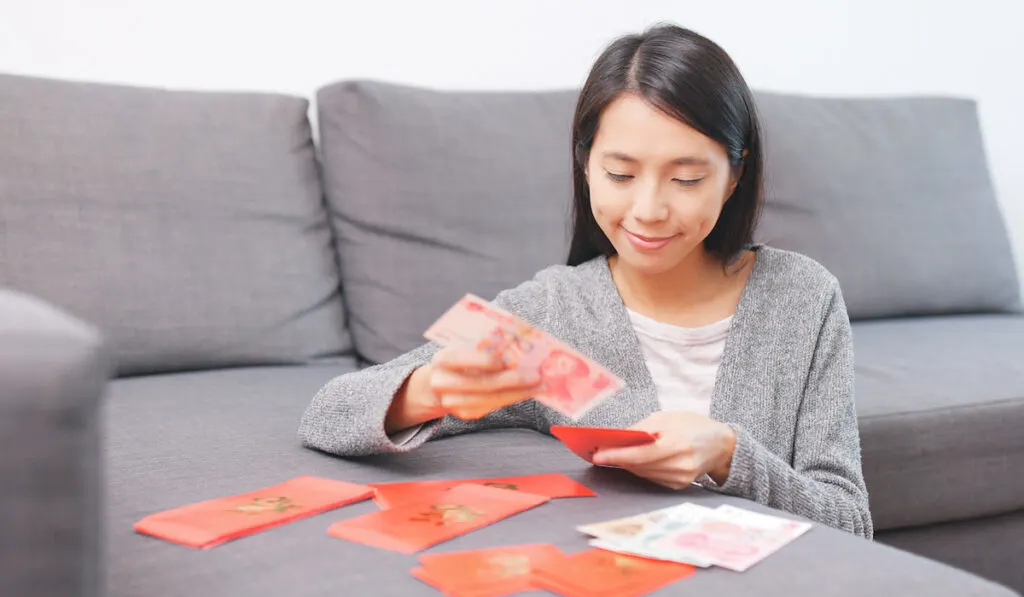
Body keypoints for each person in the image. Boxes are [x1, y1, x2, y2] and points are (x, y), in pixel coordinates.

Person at [299, 23, 873, 539]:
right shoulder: (555, 314)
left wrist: (726, 455)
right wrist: (426, 391)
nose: (648, 210)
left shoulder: (803, 297)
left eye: (688, 178)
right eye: (620, 174)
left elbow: (850, 522)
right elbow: (327, 415)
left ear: (734, 174)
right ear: (585, 164)